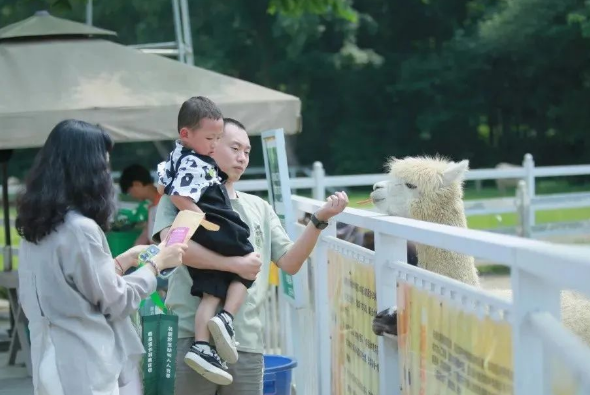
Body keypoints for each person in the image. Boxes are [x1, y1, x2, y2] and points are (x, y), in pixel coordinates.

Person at [152, 117, 349, 395]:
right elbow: (173, 250)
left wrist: (318, 220)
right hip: (189, 339)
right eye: (234, 148)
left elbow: (290, 263)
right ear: (212, 145)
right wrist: (234, 265)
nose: (242, 158)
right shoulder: (181, 195)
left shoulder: (260, 207)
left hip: (245, 344)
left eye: (247, 152)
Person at [15, 120, 187, 395]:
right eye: (103, 165)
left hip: (48, 358)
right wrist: (156, 266)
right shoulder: (80, 229)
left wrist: (124, 260)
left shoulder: (34, 227)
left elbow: (72, 287)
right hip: (85, 363)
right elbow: (115, 300)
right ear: (87, 170)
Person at [156, 97, 256, 385]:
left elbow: (163, 182)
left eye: (217, 138)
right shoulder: (194, 161)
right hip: (213, 221)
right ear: (186, 134)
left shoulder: (175, 157)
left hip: (199, 229)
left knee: (210, 291)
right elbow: (176, 194)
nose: (213, 144)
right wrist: (200, 216)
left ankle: (202, 346)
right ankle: (226, 318)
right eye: (211, 139)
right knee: (249, 262)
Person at [119, 164, 162, 245]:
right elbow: (145, 235)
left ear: (137, 184)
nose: (131, 195)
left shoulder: (166, 202)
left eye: (130, 191)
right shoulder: (151, 206)